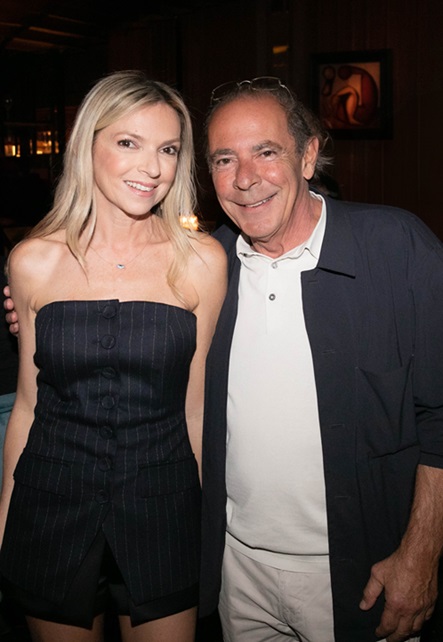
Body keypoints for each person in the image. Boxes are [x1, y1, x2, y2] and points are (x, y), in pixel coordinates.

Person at [197, 78, 443, 642]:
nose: (245, 178)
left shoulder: (395, 247)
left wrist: (422, 553)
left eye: (266, 152)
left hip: (366, 575)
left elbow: (440, 416)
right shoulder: (205, 266)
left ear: (308, 156)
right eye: (224, 159)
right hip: (238, 571)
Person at [0, 69, 227, 642]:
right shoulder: (33, 261)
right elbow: (26, 406)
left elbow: (197, 410)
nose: (152, 168)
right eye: (129, 142)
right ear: (88, 145)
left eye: (168, 149)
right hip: (49, 508)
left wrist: (205, 524)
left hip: (163, 511)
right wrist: (5, 519)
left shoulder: (201, 261)